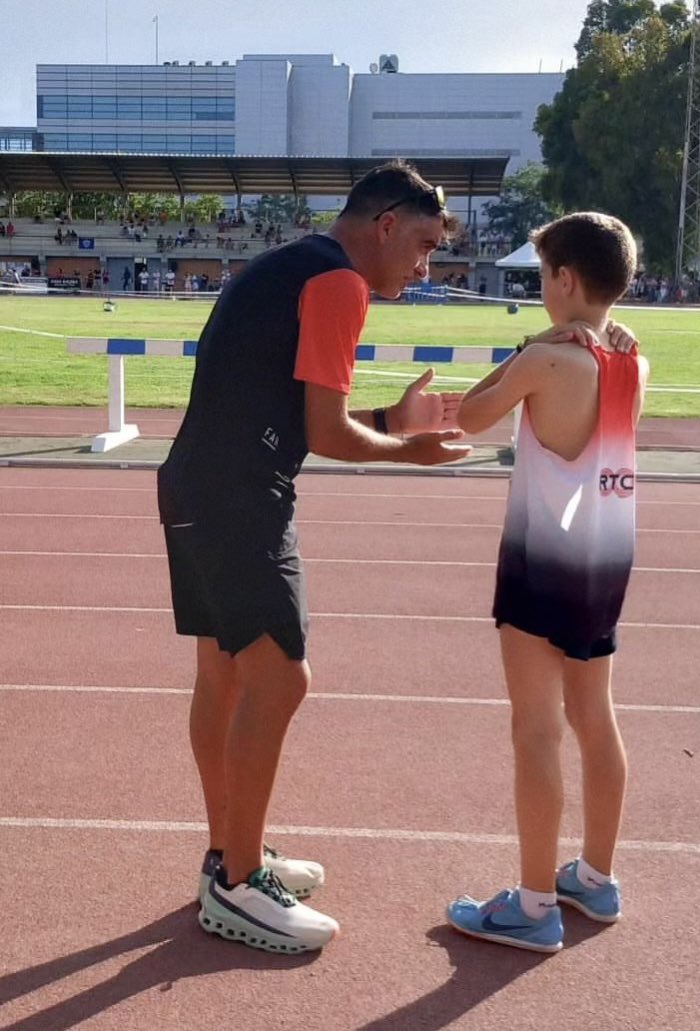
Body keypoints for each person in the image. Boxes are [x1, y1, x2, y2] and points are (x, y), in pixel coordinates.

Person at [157, 161, 471, 955]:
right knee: (281, 677)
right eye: (426, 246)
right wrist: (409, 447)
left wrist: (385, 416)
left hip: (195, 484)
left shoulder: (287, 264)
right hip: (240, 499)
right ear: (388, 223)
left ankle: (232, 855)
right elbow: (327, 436)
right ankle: (235, 886)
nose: (426, 267)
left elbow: (294, 411)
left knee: (224, 675)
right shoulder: (340, 286)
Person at [445, 212, 649, 953]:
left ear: (565, 280)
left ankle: (533, 906)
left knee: (535, 726)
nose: (539, 290)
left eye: (541, 276)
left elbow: (467, 415)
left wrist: (529, 348)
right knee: (596, 716)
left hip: (543, 559)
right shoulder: (634, 362)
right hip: (605, 558)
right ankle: (594, 876)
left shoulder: (549, 359)